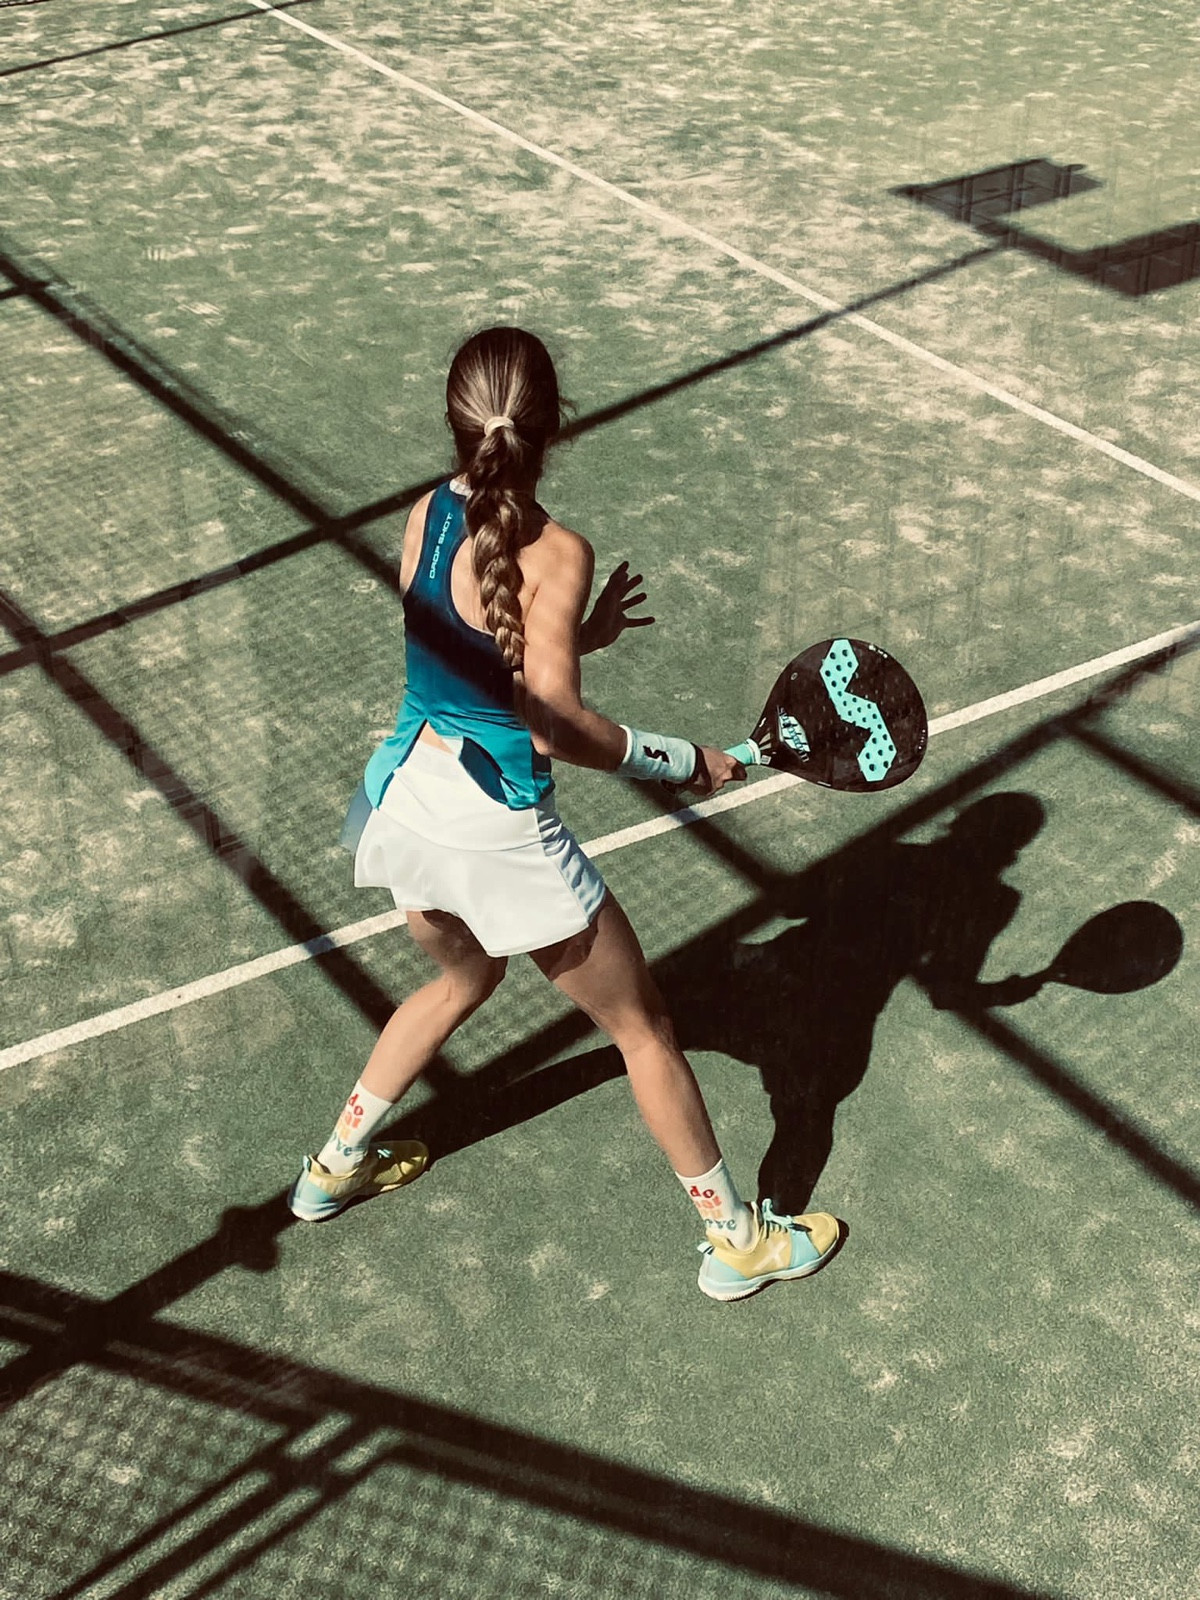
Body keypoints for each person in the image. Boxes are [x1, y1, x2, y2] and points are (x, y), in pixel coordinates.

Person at [288, 326, 841, 1301]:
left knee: (463, 978)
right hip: (497, 836)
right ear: (558, 425)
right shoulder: (558, 550)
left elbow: (463, 650)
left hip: (404, 806)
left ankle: (331, 1170)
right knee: (645, 1029)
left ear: (458, 422)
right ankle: (738, 1244)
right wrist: (686, 761)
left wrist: (574, 635)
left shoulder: (423, 515)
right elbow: (553, 728)